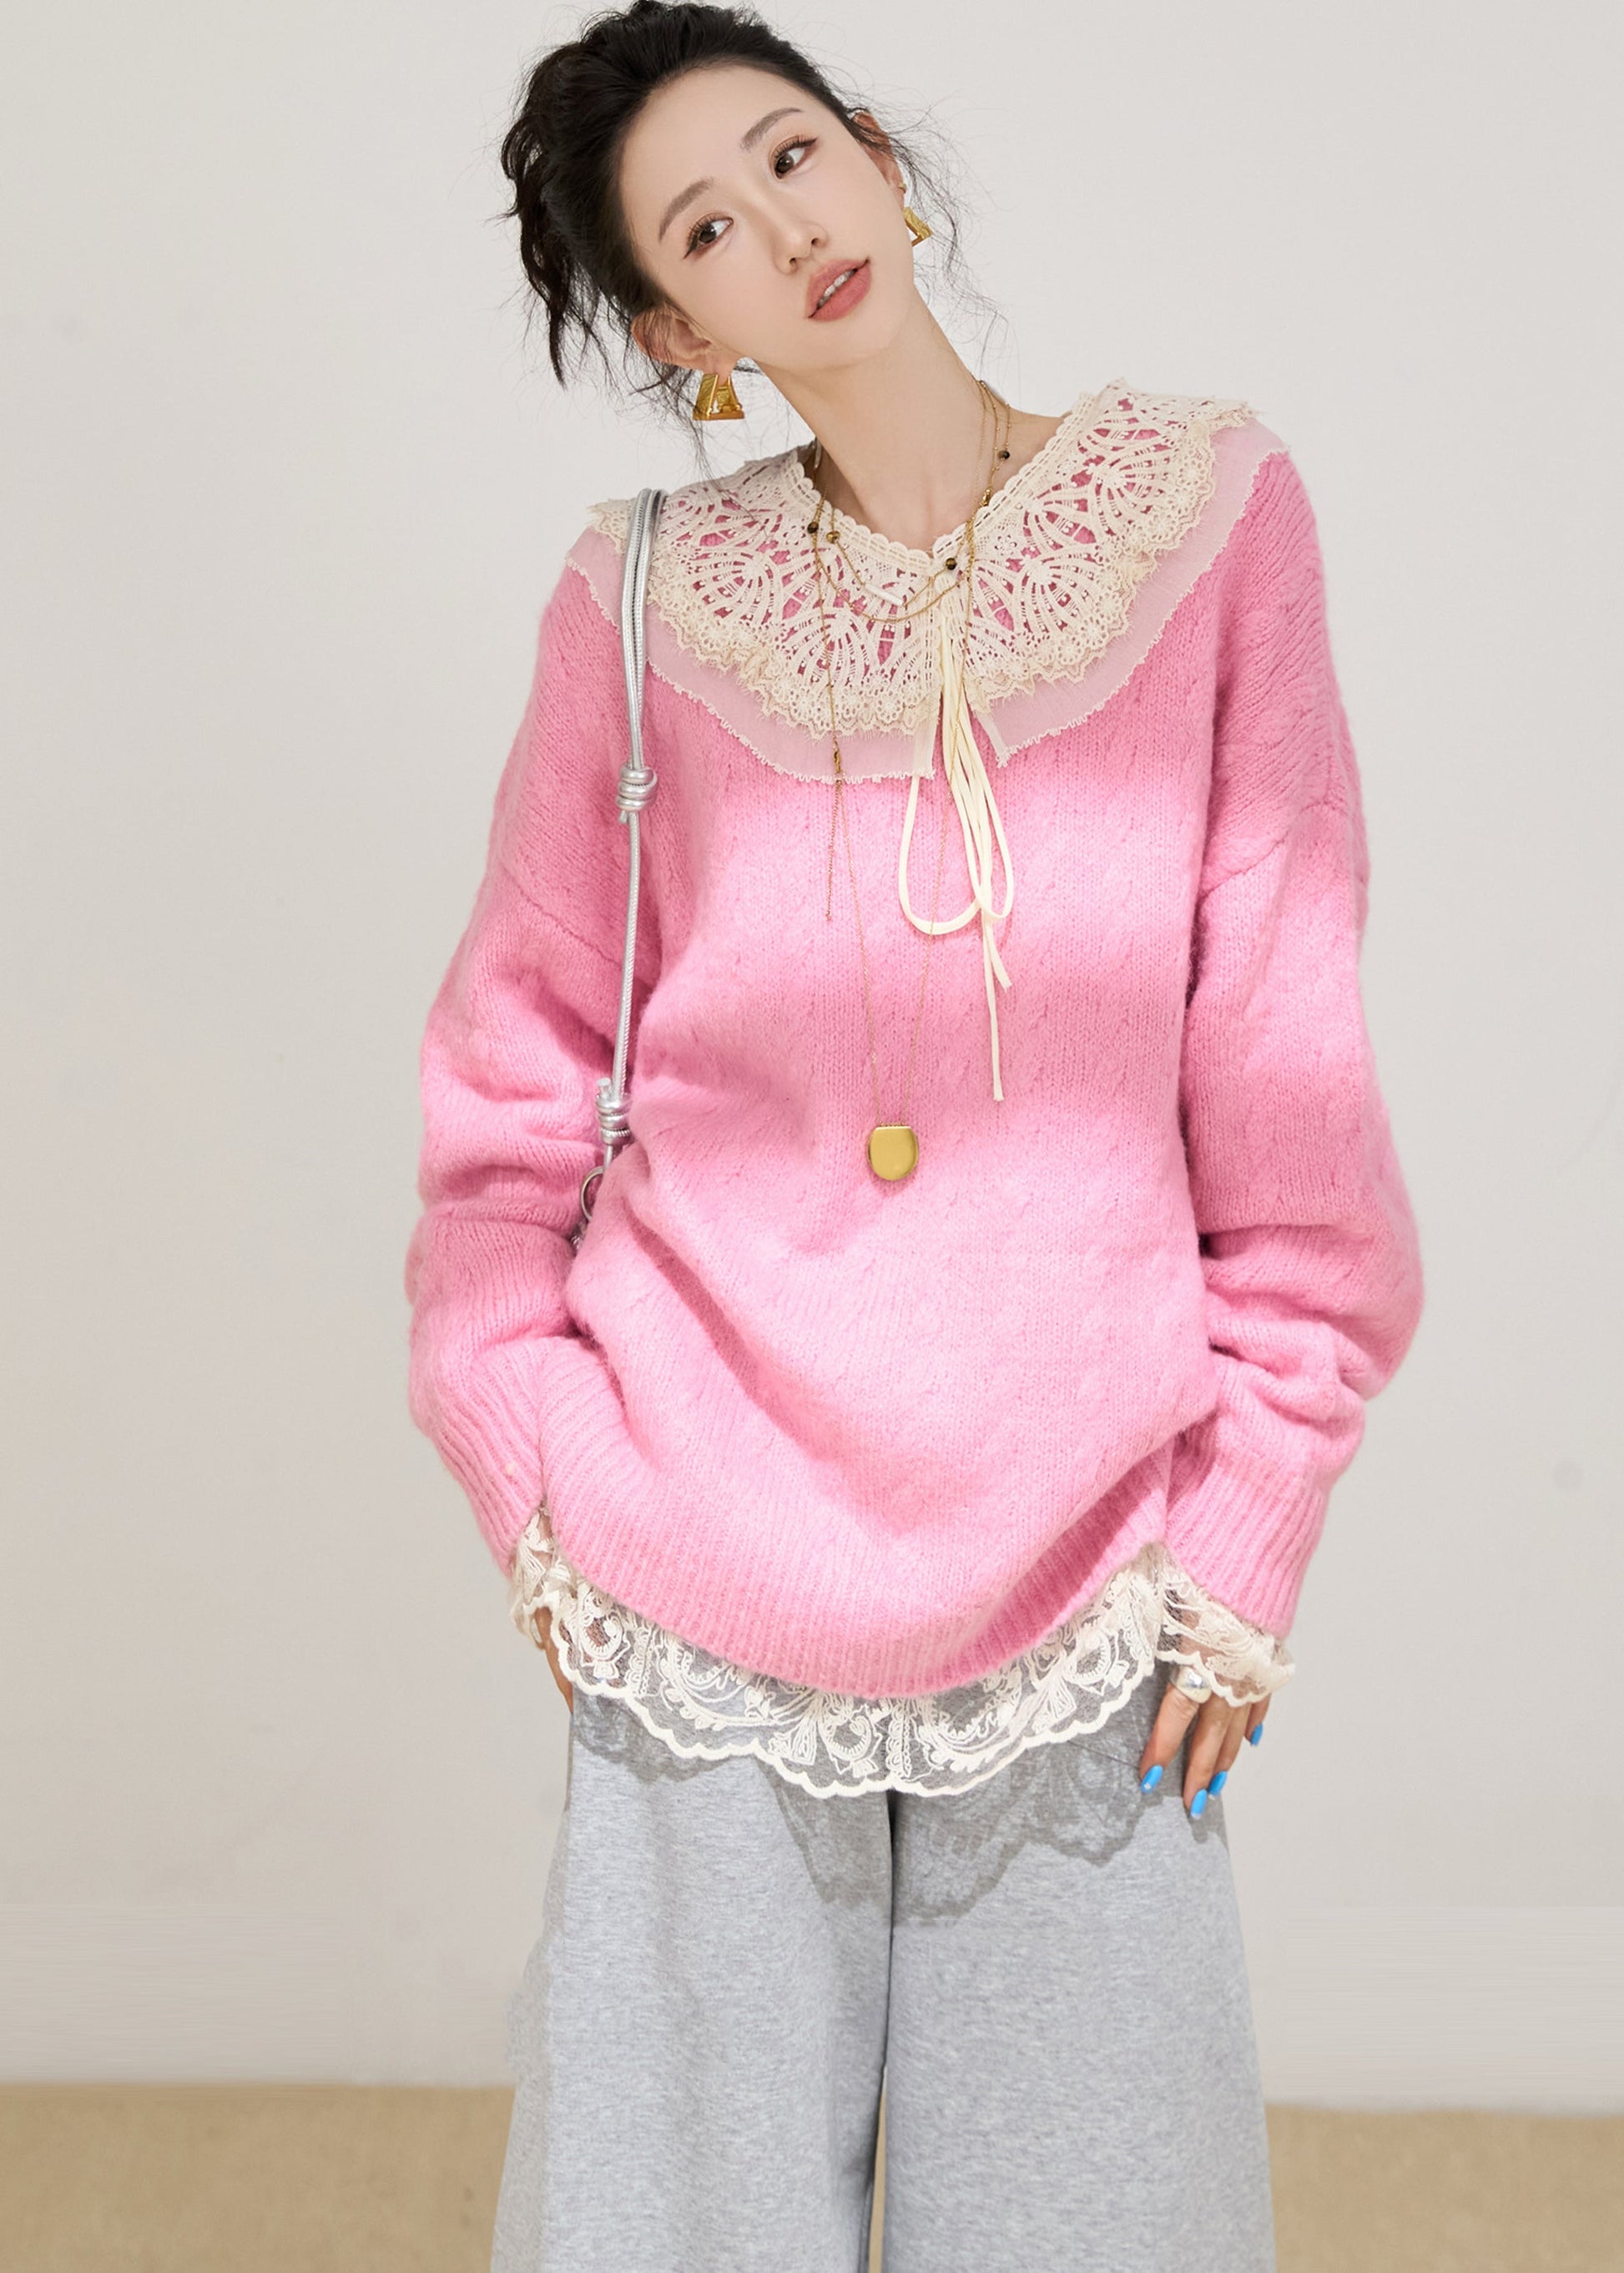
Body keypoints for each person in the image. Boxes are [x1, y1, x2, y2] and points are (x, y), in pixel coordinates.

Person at [402, 4, 1425, 2266]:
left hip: (1093, 1573)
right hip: (696, 1557)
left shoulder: (1206, 514)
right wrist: (533, 1472)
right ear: (683, 335)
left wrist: (1251, 1514)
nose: (783, 227)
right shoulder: (639, 603)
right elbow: (510, 1089)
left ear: (873, 152)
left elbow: (1284, 1052)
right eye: (702, 231)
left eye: (790, 156)